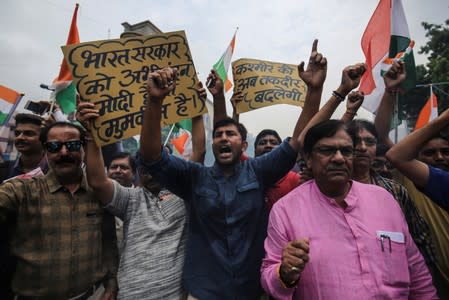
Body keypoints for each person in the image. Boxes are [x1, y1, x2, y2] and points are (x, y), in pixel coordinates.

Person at [261, 119, 436, 299]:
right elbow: (269, 279)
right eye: (326, 150)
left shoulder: (385, 200)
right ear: (308, 158)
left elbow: (417, 273)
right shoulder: (286, 210)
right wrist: (284, 273)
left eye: (345, 151)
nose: (338, 158)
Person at [76, 83, 206, 299]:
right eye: (146, 168)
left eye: (159, 167)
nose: (152, 173)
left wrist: (196, 110)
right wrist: (91, 134)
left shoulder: (183, 193)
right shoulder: (129, 199)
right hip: (130, 294)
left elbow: (199, 152)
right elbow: (98, 181)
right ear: (138, 173)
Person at [0, 121, 118, 299]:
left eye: (72, 145)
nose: (64, 152)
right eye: (54, 147)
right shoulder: (20, 190)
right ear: (45, 151)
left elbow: (109, 242)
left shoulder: (100, 193)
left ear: (84, 149)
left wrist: (112, 282)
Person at [376, 60, 449, 298]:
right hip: (430, 279)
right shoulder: (409, 178)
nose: (439, 157)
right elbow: (381, 135)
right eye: (429, 152)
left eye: (445, 152)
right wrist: (389, 91)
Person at [347, 119, 436, 267]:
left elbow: (420, 236)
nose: (363, 148)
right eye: (356, 141)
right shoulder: (332, 190)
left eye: (370, 142)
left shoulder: (394, 190)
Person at [0, 113, 48, 183]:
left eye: (28, 133)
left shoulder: (56, 171)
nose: (20, 137)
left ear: (44, 138)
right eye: (17, 133)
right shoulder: (3, 169)